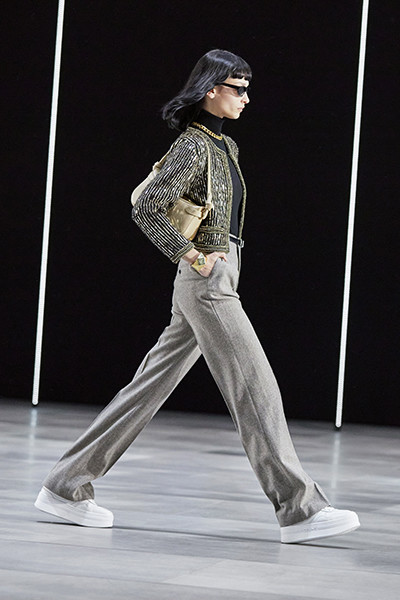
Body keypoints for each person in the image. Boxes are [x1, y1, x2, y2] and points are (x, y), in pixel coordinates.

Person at [35, 49, 360, 544]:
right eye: (238, 88)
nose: (246, 98)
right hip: (208, 282)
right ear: (211, 89)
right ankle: (300, 509)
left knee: (148, 387)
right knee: (254, 385)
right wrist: (192, 255)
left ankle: (65, 486)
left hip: (219, 274)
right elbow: (147, 206)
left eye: (248, 88)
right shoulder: (192, 144)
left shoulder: (224, 146)